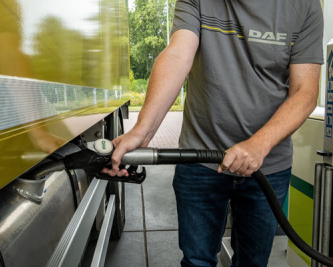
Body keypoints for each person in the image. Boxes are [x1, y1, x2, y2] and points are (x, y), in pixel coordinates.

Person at [103, 0, 324, 266]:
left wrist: (258, 145)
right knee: (197, 261)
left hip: (268, 166)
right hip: (200, 160)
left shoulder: (303, 5)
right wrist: (142, 131)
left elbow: (305, 91)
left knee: (252, 263)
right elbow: (177, 56)